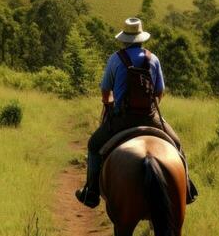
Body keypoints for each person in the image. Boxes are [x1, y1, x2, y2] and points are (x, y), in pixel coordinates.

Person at [75, 16, 197, 208]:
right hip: (150, 117)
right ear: (141, 39)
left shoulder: (115, 59)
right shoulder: (153, 59)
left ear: (124, 39)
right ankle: (187, 189)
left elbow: (105, 91)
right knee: (178, 144)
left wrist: (109, 104)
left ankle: (91, 191)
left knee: (93, 145)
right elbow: (159, 92)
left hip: (122, 118)